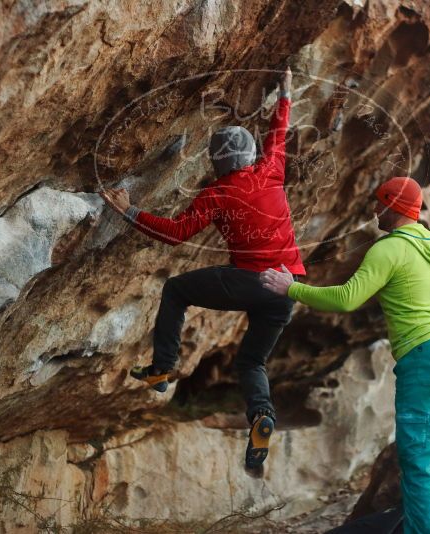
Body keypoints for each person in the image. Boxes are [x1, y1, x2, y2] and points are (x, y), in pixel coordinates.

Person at [100, 67, 303, 469]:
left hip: (251, 280)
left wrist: (130, 211)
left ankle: (161, 368)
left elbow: (177, 233)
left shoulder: (215, 193)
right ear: (249, 156)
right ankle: (261, 415)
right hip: (289, 286)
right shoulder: (271, 170)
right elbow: (278, 136)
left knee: (176, 290)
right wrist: (285, 94)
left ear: (216, 162)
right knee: (251, 362)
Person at [261, 177, 430, 533]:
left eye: (380, 203)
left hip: (426, 355)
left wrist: (292, 288)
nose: (375, 210)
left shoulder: (387, 249)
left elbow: (347, 298)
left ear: (393, 206)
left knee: (416, 454)